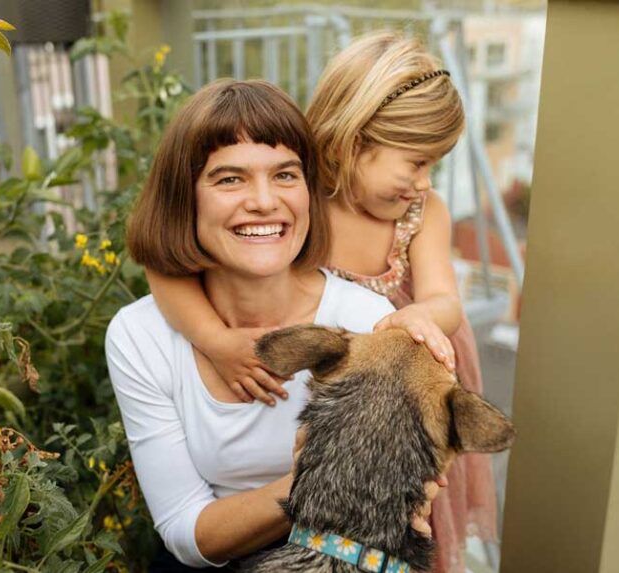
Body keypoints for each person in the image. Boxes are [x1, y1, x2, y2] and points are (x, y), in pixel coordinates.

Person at [145, 33, 498, 573]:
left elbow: (444, 300)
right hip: (333, 389)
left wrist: (418, 317)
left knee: (409, 520)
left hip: (410, 384)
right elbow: (163, 266)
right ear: (355, 140)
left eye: (435, 165)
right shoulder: (297, 202)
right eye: (417, 162)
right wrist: (215, 341)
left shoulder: (422, 213)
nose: (425, 182)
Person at [106, 79, 439, 572]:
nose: (264, 201)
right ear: (184, 200)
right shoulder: (140, 336)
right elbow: (184, 530)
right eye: (229, 179)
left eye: (285, 174)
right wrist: (316, 480)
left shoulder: (367, 325)